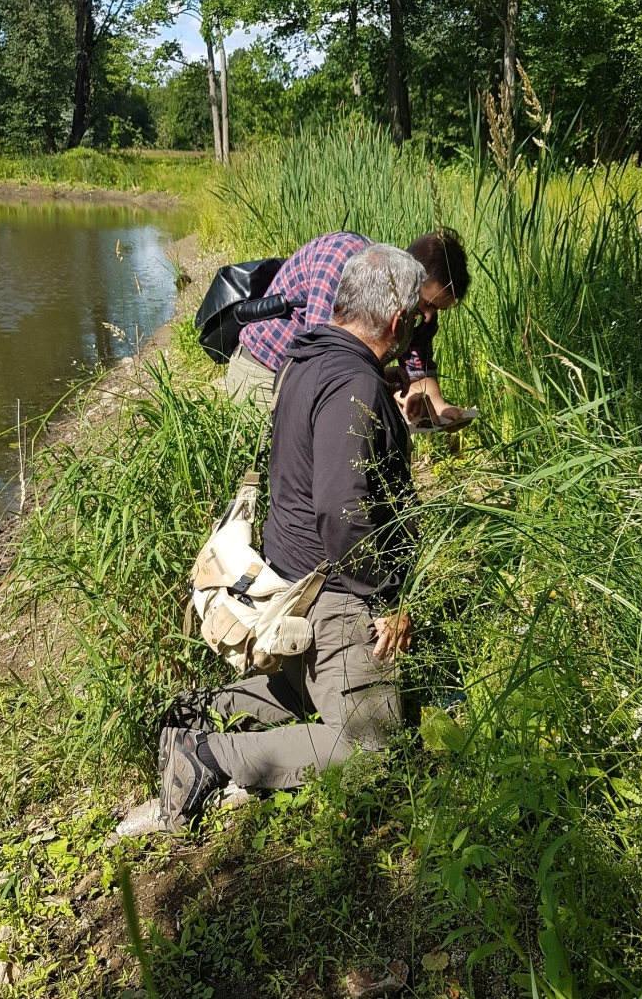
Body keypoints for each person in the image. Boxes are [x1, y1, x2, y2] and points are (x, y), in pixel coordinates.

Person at [119, 243, 423, 836]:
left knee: (312, 694)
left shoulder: (308, 359)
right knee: (371, 746)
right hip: (337, 591)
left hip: (293, 575)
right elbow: (343, 512)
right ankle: (206, 758)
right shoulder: (350, 388)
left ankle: (208, 709)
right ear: (395, 322)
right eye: (414, 319)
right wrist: (385, 596)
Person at [225, 229, 470, 420]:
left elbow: (420, 371)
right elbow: (321, 358)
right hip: (265, 369)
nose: (428, 316)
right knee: (279, 470)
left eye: (438, 309)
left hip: (317, 378)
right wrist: (379, 383)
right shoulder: (343, 259)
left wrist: (440, 407)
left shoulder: (420, 309)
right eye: (426, 304)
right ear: (410, 273)